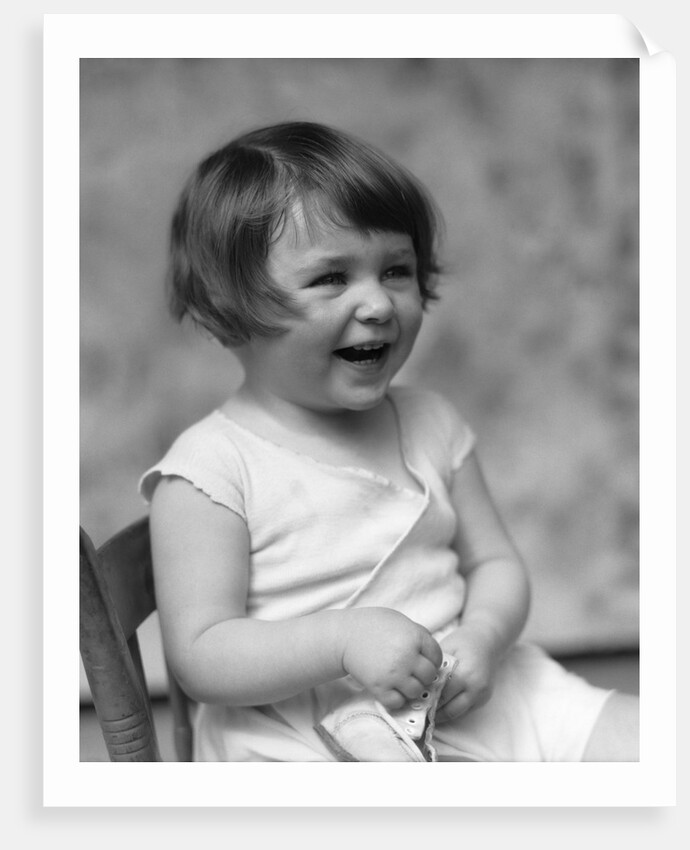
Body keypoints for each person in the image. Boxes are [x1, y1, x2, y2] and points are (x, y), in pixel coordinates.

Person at [140, 121, 639, 762]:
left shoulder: (431, 420)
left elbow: (496, 564)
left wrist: (484, 638)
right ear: (222, 311)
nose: (378, 303)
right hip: (305, 733)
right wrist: (342, 640)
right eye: (331, 278)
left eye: (396, 270)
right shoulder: (211, 469)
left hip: (469, 691)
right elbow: (202, 654)